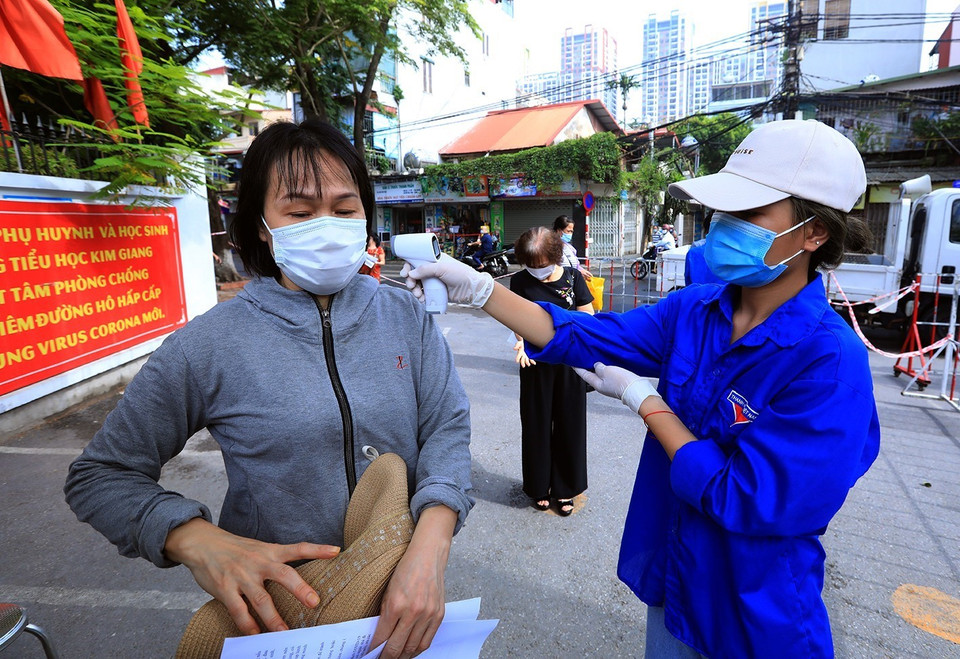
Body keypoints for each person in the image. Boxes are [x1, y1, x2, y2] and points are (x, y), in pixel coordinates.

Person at [401, 119, 880, 657]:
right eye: (724, 211)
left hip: (754, 612)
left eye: (750, 214)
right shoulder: (696, 309)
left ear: (815, 232)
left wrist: (646, 401)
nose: (726, 226)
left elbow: (747, 497)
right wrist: (483, 289)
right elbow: (591, 334)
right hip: (674, 580)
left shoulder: (829, 362)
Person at [64, 119, 474, 659]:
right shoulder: (208, 344)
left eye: (345, 209)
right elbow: (99, 475)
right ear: (261, 225)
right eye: (300, 212)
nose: (326, 226)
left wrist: (432, 545)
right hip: (280, 620)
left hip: (408, 599)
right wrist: (193, 538)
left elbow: (446, 427)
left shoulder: (404, 315)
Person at [509, 227, 595, 516]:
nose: (536, 271)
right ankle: (538, 485)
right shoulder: (519, 281)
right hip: (535, 363)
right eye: (530, 266)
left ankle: (566, 488)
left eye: (542, 265)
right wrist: (520, 343)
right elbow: (516, 319)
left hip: (570, 363)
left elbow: (588, 316)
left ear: (555, 257)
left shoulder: (572, 278)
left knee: (570, 424)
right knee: (536, 424)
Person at [553, 214, 593, 279]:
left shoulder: (570, 248)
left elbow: (576, 265)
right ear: (559, 231)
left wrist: (581, 271)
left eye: (572, 231)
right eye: (568, 231)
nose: (570, 234)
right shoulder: (549, 247)